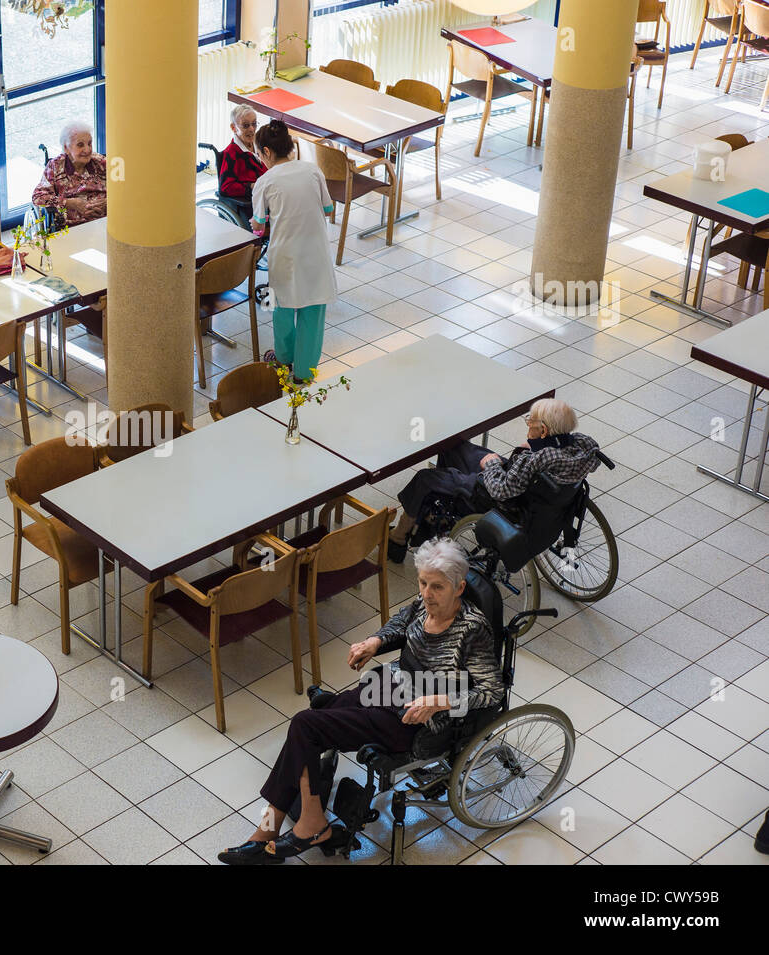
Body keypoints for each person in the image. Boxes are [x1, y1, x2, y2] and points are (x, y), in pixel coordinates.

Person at [219, 537, 501, 864]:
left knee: (305, 725)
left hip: (413, 720)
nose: (426, 593)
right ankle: (269, 831)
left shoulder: (473, 629)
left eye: (436, 587)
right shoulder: (425, 603)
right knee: (313, 723)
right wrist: (375, 641)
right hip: (386, 688)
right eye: (423, 583)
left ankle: (308, 825)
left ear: (459, 587)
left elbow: (491, 690)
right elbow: (401, 622)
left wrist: (440, 701)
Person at [387, 398, 601, 563]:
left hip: (496, 498)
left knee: (425, 478)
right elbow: (555, 451)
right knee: (454, 445)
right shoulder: (580, 452)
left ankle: (398, 539)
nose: (528, 425)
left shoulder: (535, 461)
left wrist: (491, 465)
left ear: (543, 431)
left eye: (531, 422)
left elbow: (500, 490)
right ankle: (437, 517)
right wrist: (537, 446)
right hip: (536, 498)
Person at [251, 119, 337, 384]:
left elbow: (258, 226)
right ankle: (303, 373)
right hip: (316, 254)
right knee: (313, 311)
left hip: (284, 256)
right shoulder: (313, 171)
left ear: (266, 152)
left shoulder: (264, 182)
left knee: (281, 308)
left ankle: (283, 357)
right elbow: (328, 209)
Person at [31, 121, 107, 227]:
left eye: (90, 143)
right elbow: (38, 198)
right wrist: (70, 203)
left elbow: (126, 188)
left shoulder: (100, 162)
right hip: (70, 227)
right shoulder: (55, 166)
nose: (88, 149)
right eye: (80, 145)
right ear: (66, 148)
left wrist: (108, 202)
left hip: (105, 221)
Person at [217, 105, 266, 204]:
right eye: (246, 125)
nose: (252, 129)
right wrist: (251, 186)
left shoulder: (259, 144)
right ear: (233, 128)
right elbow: (226, 187)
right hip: (253, 202)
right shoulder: (231, 153)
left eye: (254, 124)